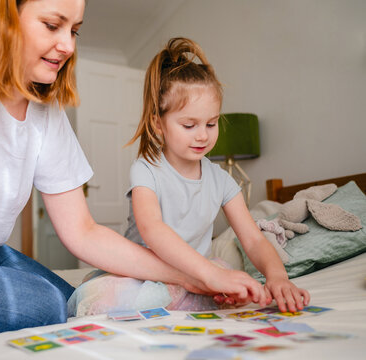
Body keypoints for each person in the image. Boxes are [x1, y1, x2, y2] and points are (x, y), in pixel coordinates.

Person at [0, 2, 272, 359]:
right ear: (3, 16)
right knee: (43, 305)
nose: (68, 45)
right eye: (53, 25)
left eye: (74, 30)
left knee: (81, 298)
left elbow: (84, 232)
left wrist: (195, 278)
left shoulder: (44, 113)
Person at [67, 37, 310, 317]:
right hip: (146, 274)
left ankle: (194, 294)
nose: (203, 135)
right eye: (189, 125)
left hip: (197, 272)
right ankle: (189, 294)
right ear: (158, 124)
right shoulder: (146, 169)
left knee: (238, 283)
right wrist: (208, 274)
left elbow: (254, 240)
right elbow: (154, 231)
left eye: (211, 123)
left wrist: (277, 276)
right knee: (95, 299)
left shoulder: (222, 181)